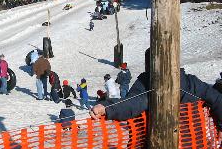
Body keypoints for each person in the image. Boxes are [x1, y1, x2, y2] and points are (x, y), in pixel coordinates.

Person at [89, 49, 222, 131]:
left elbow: (133, 103)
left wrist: (107, 107)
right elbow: (216, 98)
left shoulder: (147, 82)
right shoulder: (190, 81)